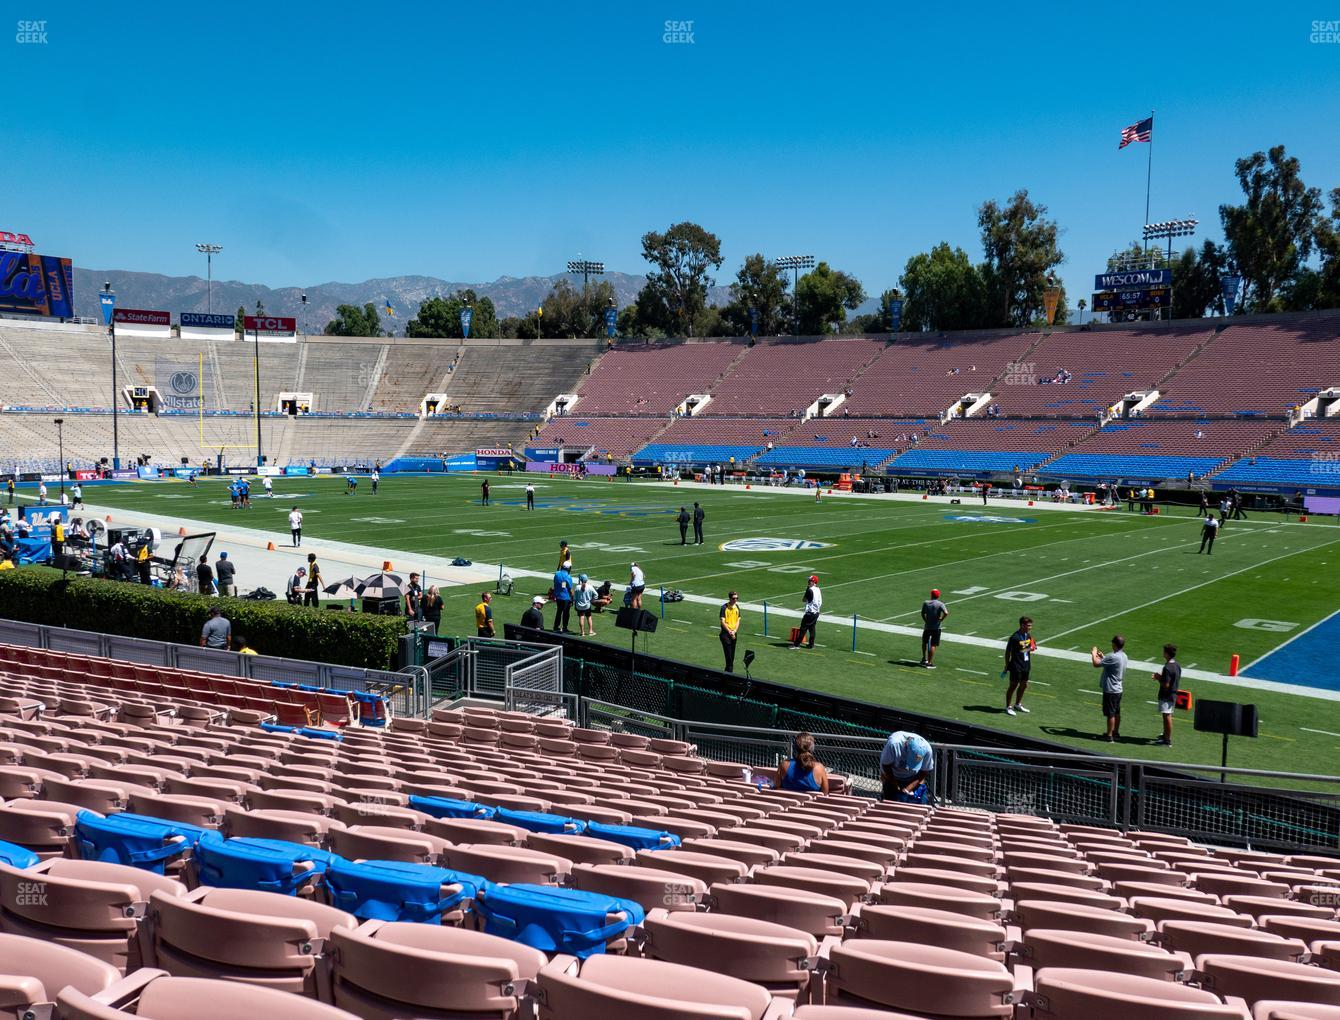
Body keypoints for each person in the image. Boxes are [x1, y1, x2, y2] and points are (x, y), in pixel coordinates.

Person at [879, 730, 934, 803]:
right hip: (893, 776)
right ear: (906, 748)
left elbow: (924, 771)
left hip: (914, 777)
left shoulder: (927, 750)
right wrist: (895, 786)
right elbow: (886, 766)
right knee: (891, 803)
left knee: (921, 804)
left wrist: (908, 788)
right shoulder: (894, 744)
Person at [1092, 634, 1128, 742]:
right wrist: (1104, 658)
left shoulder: (1113, 656)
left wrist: (1093, 653)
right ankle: (1115, 733)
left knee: (1110, 714)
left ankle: (1109, 736)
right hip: (1118, 689)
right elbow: (1111, 664)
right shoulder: (1123, 656)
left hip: (1110, 690)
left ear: (1114, 644)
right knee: (1116, 713)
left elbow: (1096, 664)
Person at [1002, 616, 1036, 716]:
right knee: (1013, 686)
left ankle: (1018, 704)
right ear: (1022, 625)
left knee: (1024, 685)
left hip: (1026, 664)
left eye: (1030, 625)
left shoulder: (1028, 635)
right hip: (1016, 665)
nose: (1030, 627)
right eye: (1028, 625)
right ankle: (1008, 707)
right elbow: (1009, 652)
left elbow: (1033, 646)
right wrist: (1007, 665)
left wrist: (1032, 647)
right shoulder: (1014, 637)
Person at [1153, 642, 1181, 747]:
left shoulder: (1167, 667)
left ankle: (1167, 740)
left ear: (1167, 653)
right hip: (1173, 694)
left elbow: (1166, 684)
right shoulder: (1177, 665)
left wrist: (1158, 677)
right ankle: (1165, 735)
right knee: (1167, 715)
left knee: (1167, 716)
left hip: (1166, 695)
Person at [920, 588, 949, 668]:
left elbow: (922, 614)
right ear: (938, 595)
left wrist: (926, 621)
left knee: (924, 642)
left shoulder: (925, 603)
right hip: (936, 627)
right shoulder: (940, 604)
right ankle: (929, 663)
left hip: (927, 627)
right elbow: (946, 613)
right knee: (933, 645)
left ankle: (924, 659)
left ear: (931, 595)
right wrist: (941, 619)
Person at [791, 575, 821, 650]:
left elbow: (804, 599)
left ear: (814, 582)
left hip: (809, 613)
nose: (808, 582)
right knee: (812, 628)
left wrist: (807, 590)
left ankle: (796, 645)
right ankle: (811, 645)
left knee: (803, 629)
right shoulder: (818, 589)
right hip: (816, 612)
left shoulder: (810, 590)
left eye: (810, 581)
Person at [719, 590, 741, 672]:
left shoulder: (737, 607)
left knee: (732, 657)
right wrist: (730, 631)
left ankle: (727, 674)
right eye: (734, 598)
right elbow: (722, 622)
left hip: (734, 634)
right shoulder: (724, 607)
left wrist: (734, 631)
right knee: (729, 658)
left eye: (737, 598)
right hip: (725, 635)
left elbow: (738, 620)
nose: (735, 600)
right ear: (730, 598)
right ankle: (728, 676)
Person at [552, 563, 574, 632]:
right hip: (566, 597)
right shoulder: (568, 577)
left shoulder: (557, 573)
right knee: (566, 613)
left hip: (558, 596)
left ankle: (556, 627)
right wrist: (572, 599)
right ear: (569, 568)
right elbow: (570, 589)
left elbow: (555, 582)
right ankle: (565, 627)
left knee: (559, 612)